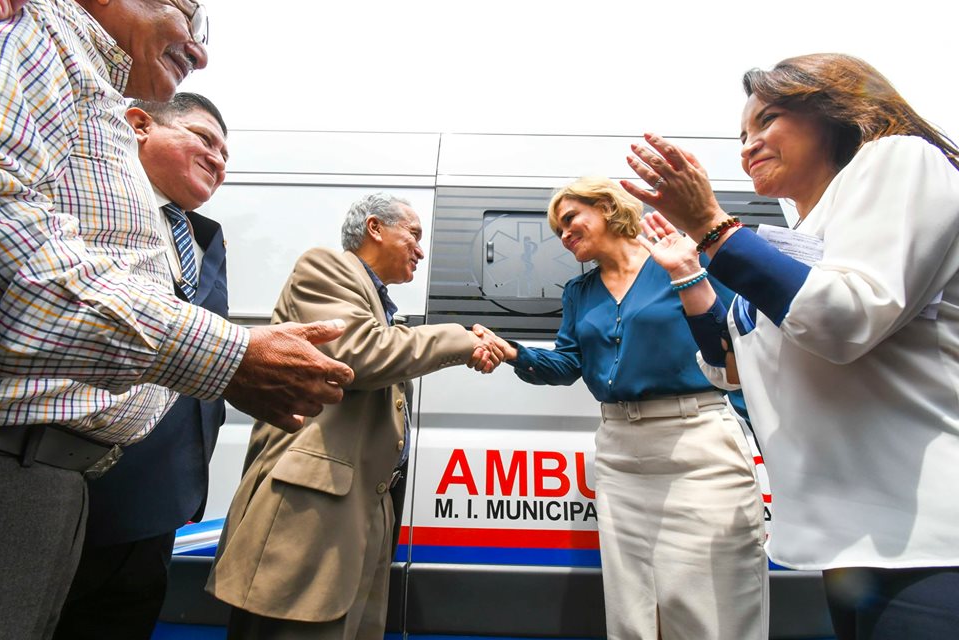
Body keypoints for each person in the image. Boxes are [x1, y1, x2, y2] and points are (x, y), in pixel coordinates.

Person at [0, 2, 352, 638]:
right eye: (186, 12)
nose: (200, 48)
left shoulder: (105, 103)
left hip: (91, 481)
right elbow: (17, 262)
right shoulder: (33, 36)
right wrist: (230, 357)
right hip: (28, 462)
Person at [624, 53, 959, 639]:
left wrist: (711, 225)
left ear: (836, 113)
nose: (749, 145)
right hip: (852, 541)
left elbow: (845, 319)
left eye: (768, 119)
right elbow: (730, 365)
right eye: (742, 136)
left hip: (927, 537)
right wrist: (687, 272)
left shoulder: (901, 158)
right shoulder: (800, 236)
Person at [207, 193, 503, 639]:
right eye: (414, 235)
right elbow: (357, 356)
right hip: (309, 514)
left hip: (359, 512)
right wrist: (461, 339)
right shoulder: (325, 267)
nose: (421, 251)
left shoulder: (380, 307)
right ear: (374, 228)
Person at [493, 177, 767, 640]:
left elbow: (735, 348)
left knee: (711, 611)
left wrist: (767, 439)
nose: (564, 235)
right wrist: (514, 353)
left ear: (606, 207)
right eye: (558, 230)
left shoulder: (681, 259)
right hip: (620, 457)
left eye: (570, 219)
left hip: (698, 447)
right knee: (633, 617)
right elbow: (568, 365)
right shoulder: (579, 292)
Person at [51, 92, 233, 639]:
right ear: (138, 124)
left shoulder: (206, 239)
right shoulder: (81, 205)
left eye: (226, 154)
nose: (218, 159)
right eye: (204, 139)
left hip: (161, 499)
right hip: (78, 482)